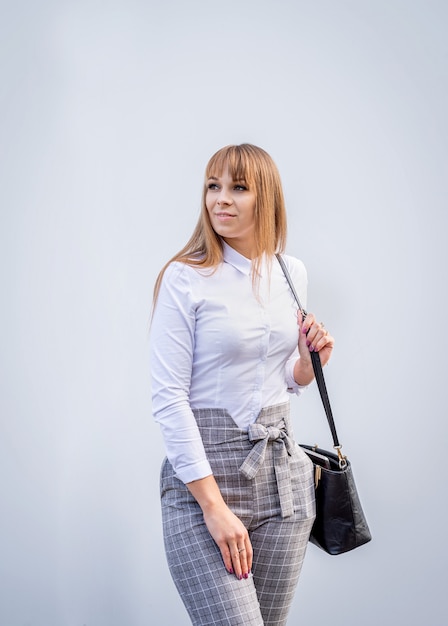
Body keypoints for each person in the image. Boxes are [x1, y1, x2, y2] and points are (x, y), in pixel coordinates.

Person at [149, 143, 334, 626]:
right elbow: (169, 399)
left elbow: (283, 381)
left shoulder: (291, 274)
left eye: (238, 187)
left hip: (284, 483)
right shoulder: (184, 278)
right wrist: (213, 506)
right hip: (203, 483)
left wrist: (310, 362)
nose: (220, 200)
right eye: (213, 186)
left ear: (266, 198)